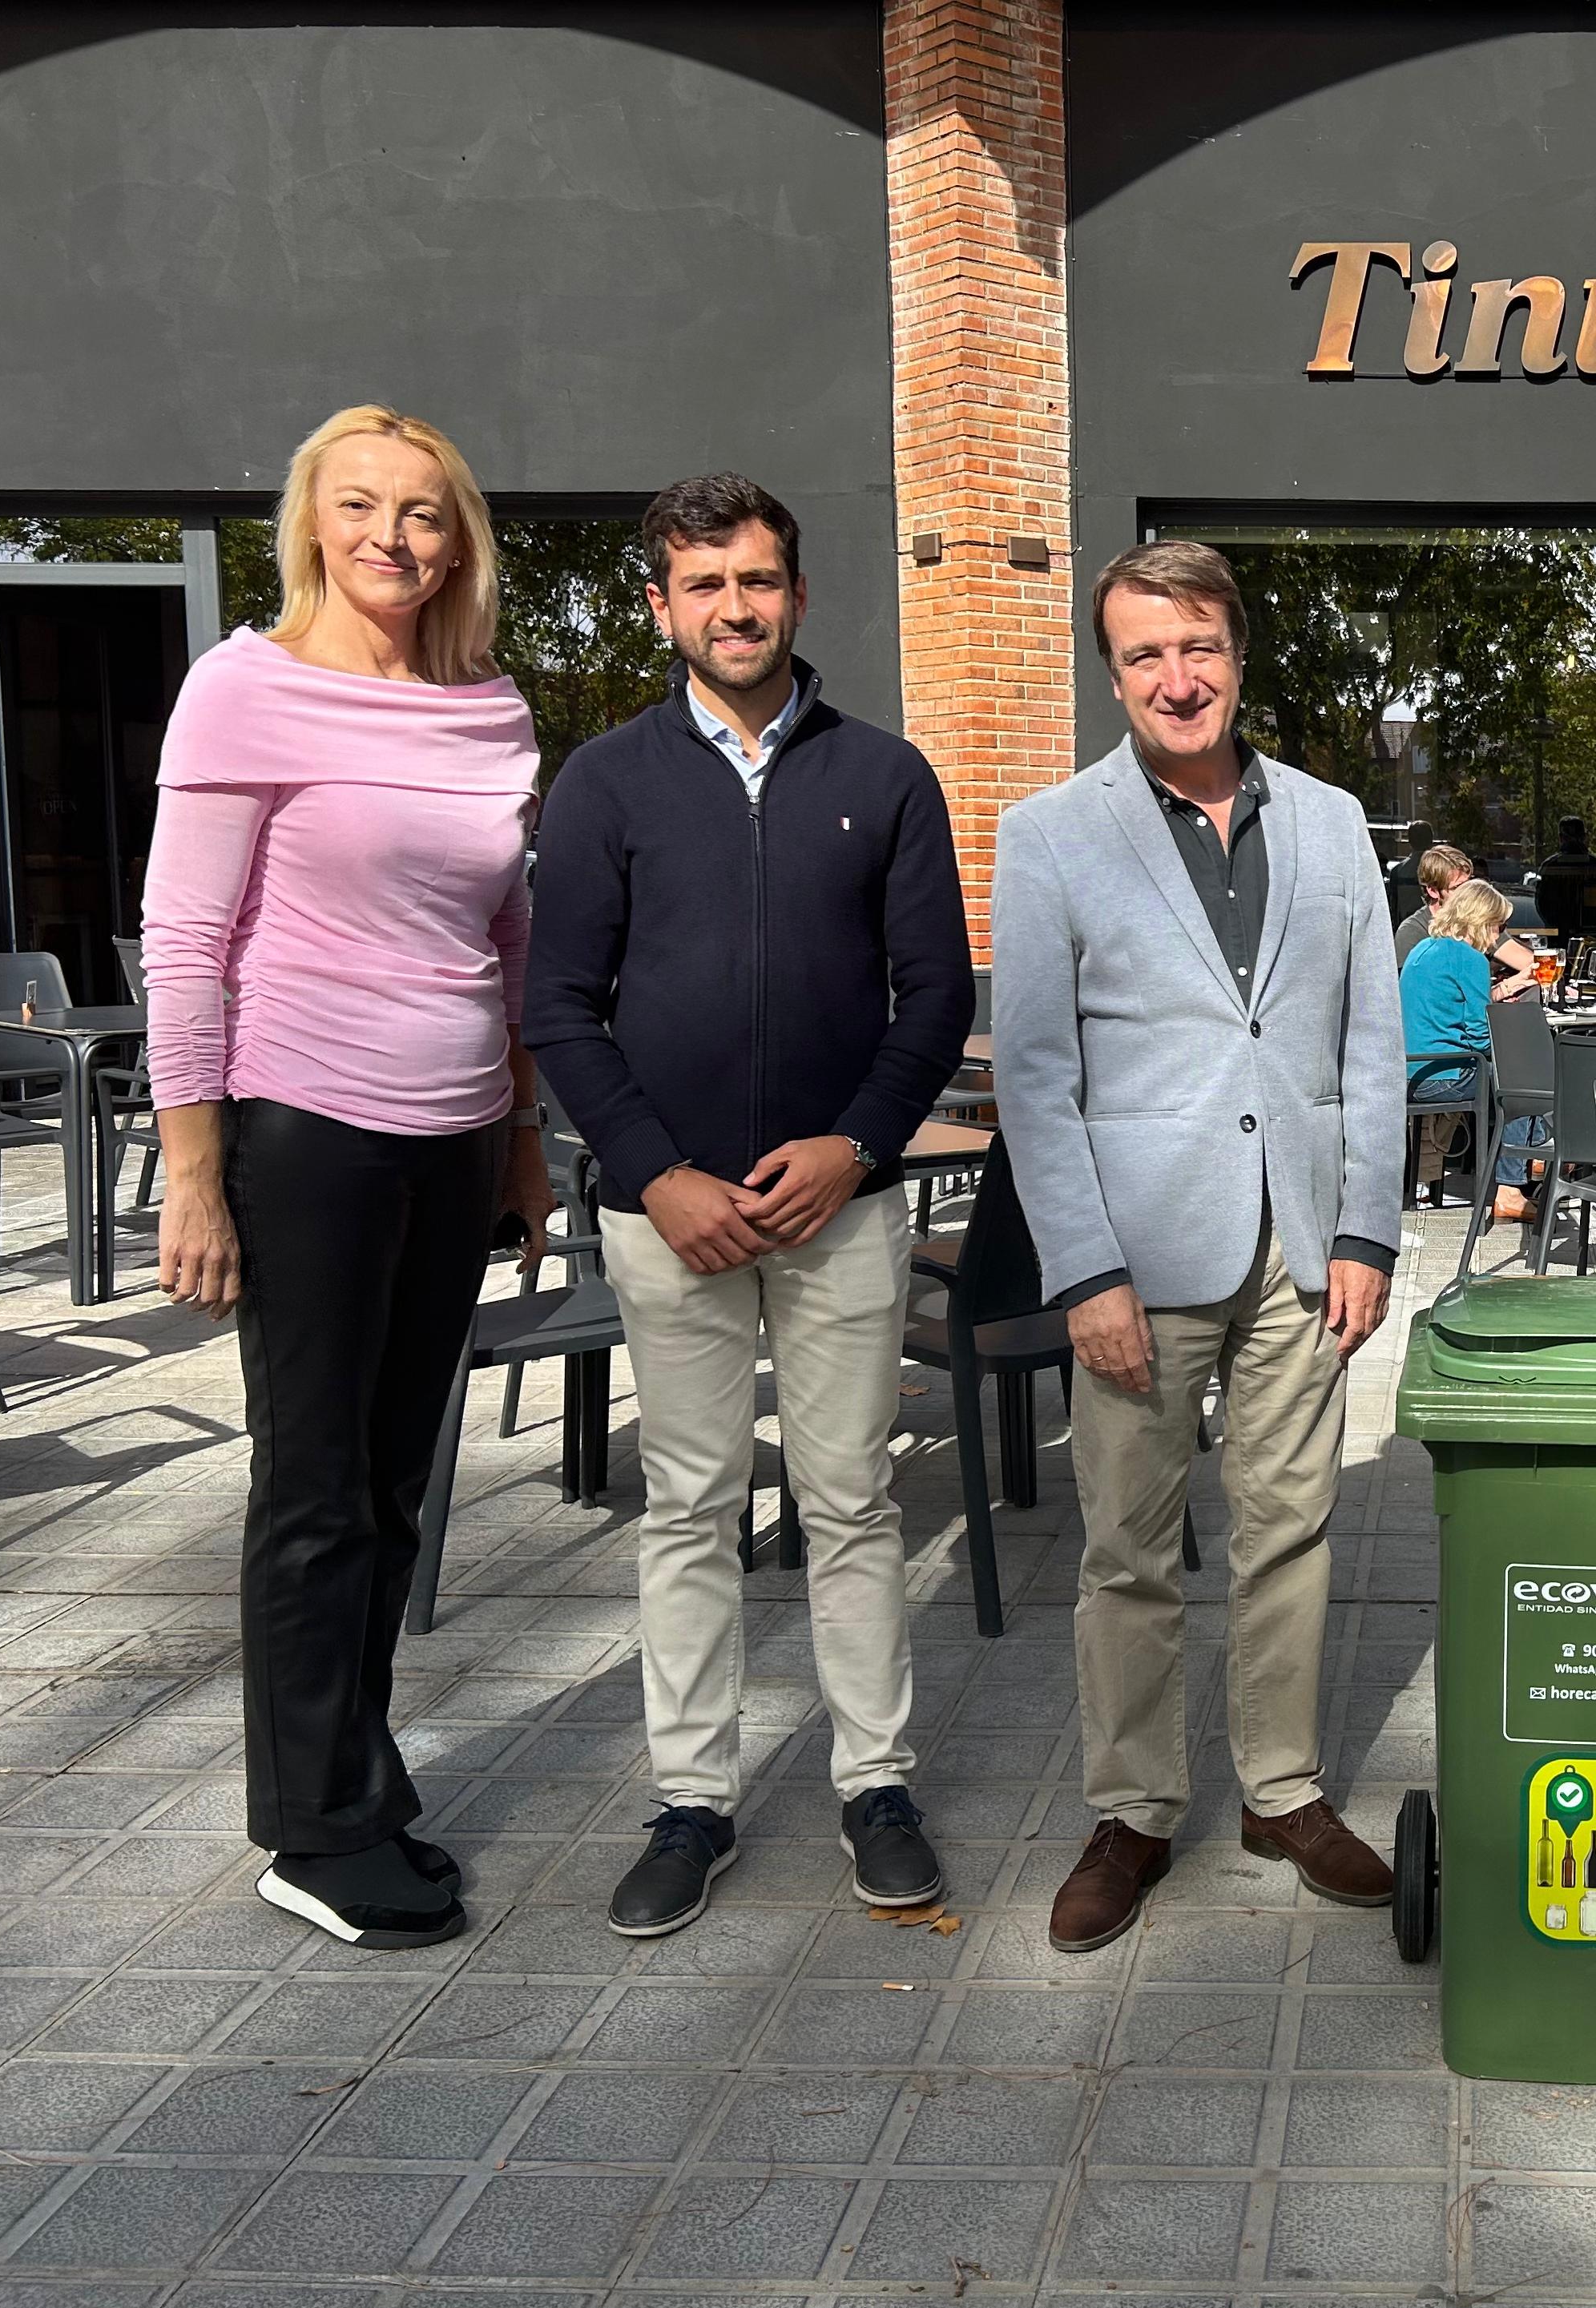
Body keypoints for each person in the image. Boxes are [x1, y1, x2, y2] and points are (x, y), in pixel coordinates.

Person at [526, 474, 971, 1938]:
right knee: (692, 1508)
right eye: (705, 584)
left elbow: (935, 1001)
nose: (736, 607)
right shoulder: (605, 783)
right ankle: (692, 1801)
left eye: (759, 579)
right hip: (675, 1218)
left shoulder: (887, 775)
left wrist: (854, 1147)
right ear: (662, 605)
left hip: (840, 1207)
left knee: (851, 1502)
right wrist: (653, 1174)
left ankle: (877, 1785)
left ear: (797, 593)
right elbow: (561, 1007)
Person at [143, 404, 557, 1951]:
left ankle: (357, 1770)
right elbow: (184, 942)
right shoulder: (242, 691)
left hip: (454, 1134)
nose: (396, 536)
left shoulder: (488, 707)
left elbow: (509, 941)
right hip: (305, 1128)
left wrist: (518, 1136)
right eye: (365, 505)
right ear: (314, 519)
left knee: (394, 1480)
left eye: (428, 513)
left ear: (461, 541)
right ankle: (310, 1830)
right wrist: (194, 1170)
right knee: (312, 1490)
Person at [991, 541, 1406, 1954]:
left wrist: (1365, 1227)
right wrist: (1086, 1272)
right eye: (1147, 654)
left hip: (1303, 1249)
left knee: (1293, 1531)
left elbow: (1372, 1044)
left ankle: (1281, 1789)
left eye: (1201, 647)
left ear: (1238, 654)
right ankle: (1135, 1808)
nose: (1180, 677)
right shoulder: (1052, 833)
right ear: (1114, 674)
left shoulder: (1336, 822)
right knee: (1129, 1551)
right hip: (1138, 1265)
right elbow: (1037, 1077)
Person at [1399, 879, 1514, 1195]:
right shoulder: (1471, 959)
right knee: (1518, 1078)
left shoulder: (1422, 948)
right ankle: (1513, 1184)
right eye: (1497, 925)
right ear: (1480, 921)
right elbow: (1479, 1036)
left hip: (1409, 1073)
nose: (1497, 935)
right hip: (1443, 1078)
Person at [1393, 842, 1535, 992]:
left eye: (1468, 885)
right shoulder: (1412, 932)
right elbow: (1413, 994)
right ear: (1433, 891)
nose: (1467, 893)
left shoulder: (1479, 921)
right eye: (1457, 888)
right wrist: (1505, 988)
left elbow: (1526, 962)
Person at [1533, 816, 1596, 941]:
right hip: (1587, 934)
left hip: (1562, 935)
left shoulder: (1551, 866)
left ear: (1561, 838)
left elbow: (1542, 903)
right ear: (1584, 837)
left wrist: (1556, 924)